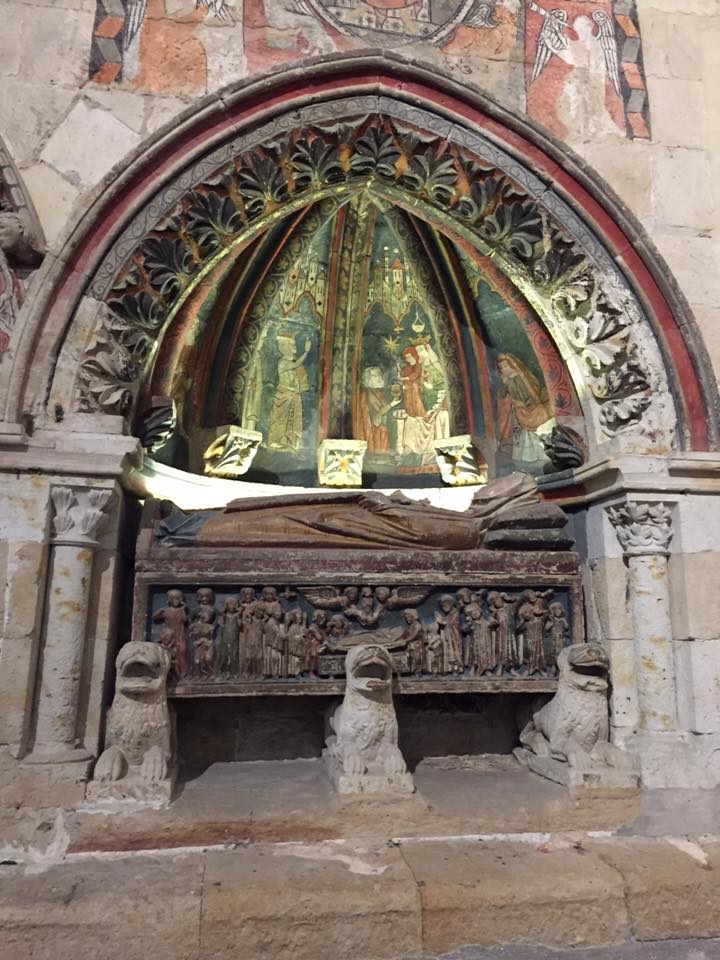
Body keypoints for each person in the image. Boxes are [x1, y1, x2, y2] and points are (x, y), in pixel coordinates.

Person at [267, 333, 312, 450]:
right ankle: (276, 440)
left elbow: (298, 371)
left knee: (293, 419)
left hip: (293, 395)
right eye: (279, 345)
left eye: (283, 344)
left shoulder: (292, 360)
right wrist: (306, 352)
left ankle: (290, 441)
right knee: (280, 418)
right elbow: (295, 364)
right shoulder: (282, 362)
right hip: (283, 394)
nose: (280, 347)